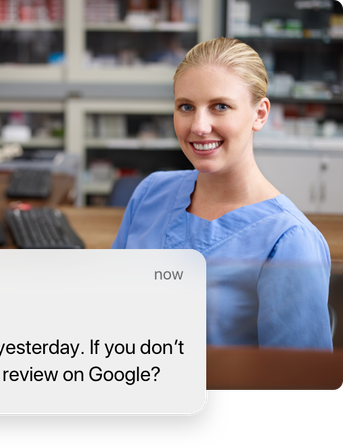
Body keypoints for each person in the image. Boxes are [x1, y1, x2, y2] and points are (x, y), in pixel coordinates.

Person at [111, 37, 332, 350]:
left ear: (259, 114)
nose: (199, 126)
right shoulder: (151, 192)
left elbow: (294, 380)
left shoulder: (290, 241)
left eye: (220, 107)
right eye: (186, 107)